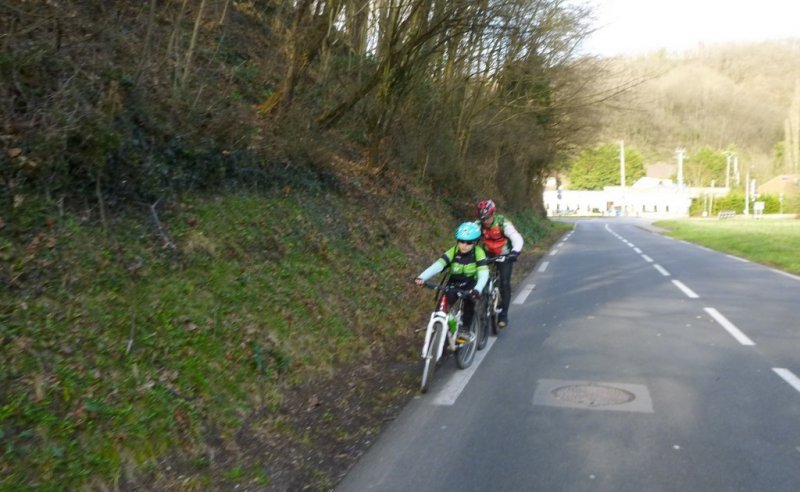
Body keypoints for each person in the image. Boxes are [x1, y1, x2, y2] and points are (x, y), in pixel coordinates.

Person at [415, 222, 489, 339]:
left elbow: (483, 273)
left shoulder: (479, 253)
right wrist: (422, 277)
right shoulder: (453, 251)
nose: (464, 245)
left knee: (469, 302)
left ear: (475, 242)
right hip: (454, 283)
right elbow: (438, 265)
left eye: (469, 242)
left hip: (470, 284)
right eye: (461, 241)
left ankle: (465, 329)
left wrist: (477, 289)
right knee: (441, 309)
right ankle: (440, 332)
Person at [476, 199, 523, 328]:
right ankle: (482, 303)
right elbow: (469, 235)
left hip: (505, 255)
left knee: (504, 283)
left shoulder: (503, 223)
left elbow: (516, 238)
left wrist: (515, 252)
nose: (485, 221)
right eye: (482, 218)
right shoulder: (479, 224)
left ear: (493, 214)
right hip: (487, 253)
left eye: (487, 218)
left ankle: (504, 316)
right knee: (478, 277)